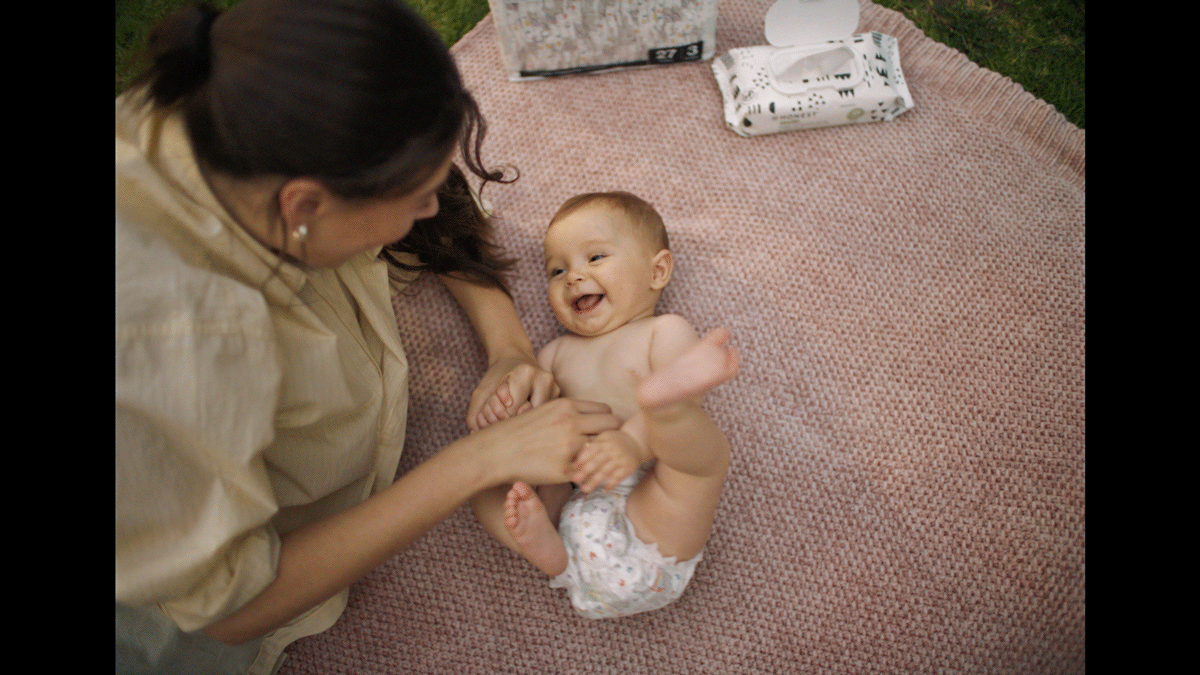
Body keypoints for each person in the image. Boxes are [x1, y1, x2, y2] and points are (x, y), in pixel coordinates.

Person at [115, 1, 623, 672]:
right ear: (304, 207)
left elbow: (428, 193)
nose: (433, 207)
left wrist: (508, 348)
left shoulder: (242, 115)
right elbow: (232, 605)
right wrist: (482, 458)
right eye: (413, 196)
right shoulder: (178, 347)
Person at [470, 191, 739, 619]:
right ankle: (546, 546)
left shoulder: (663, 331)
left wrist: (632, 444)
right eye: (557, 270)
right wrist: (503, 414)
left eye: (595, 258)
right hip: (577, 515)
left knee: (696, 453)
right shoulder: (555, 353)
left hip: (653, 502)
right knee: (482, 483)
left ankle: (659, 408)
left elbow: (690, 402)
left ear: (657, 271)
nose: (574, 277)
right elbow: (531, 421)